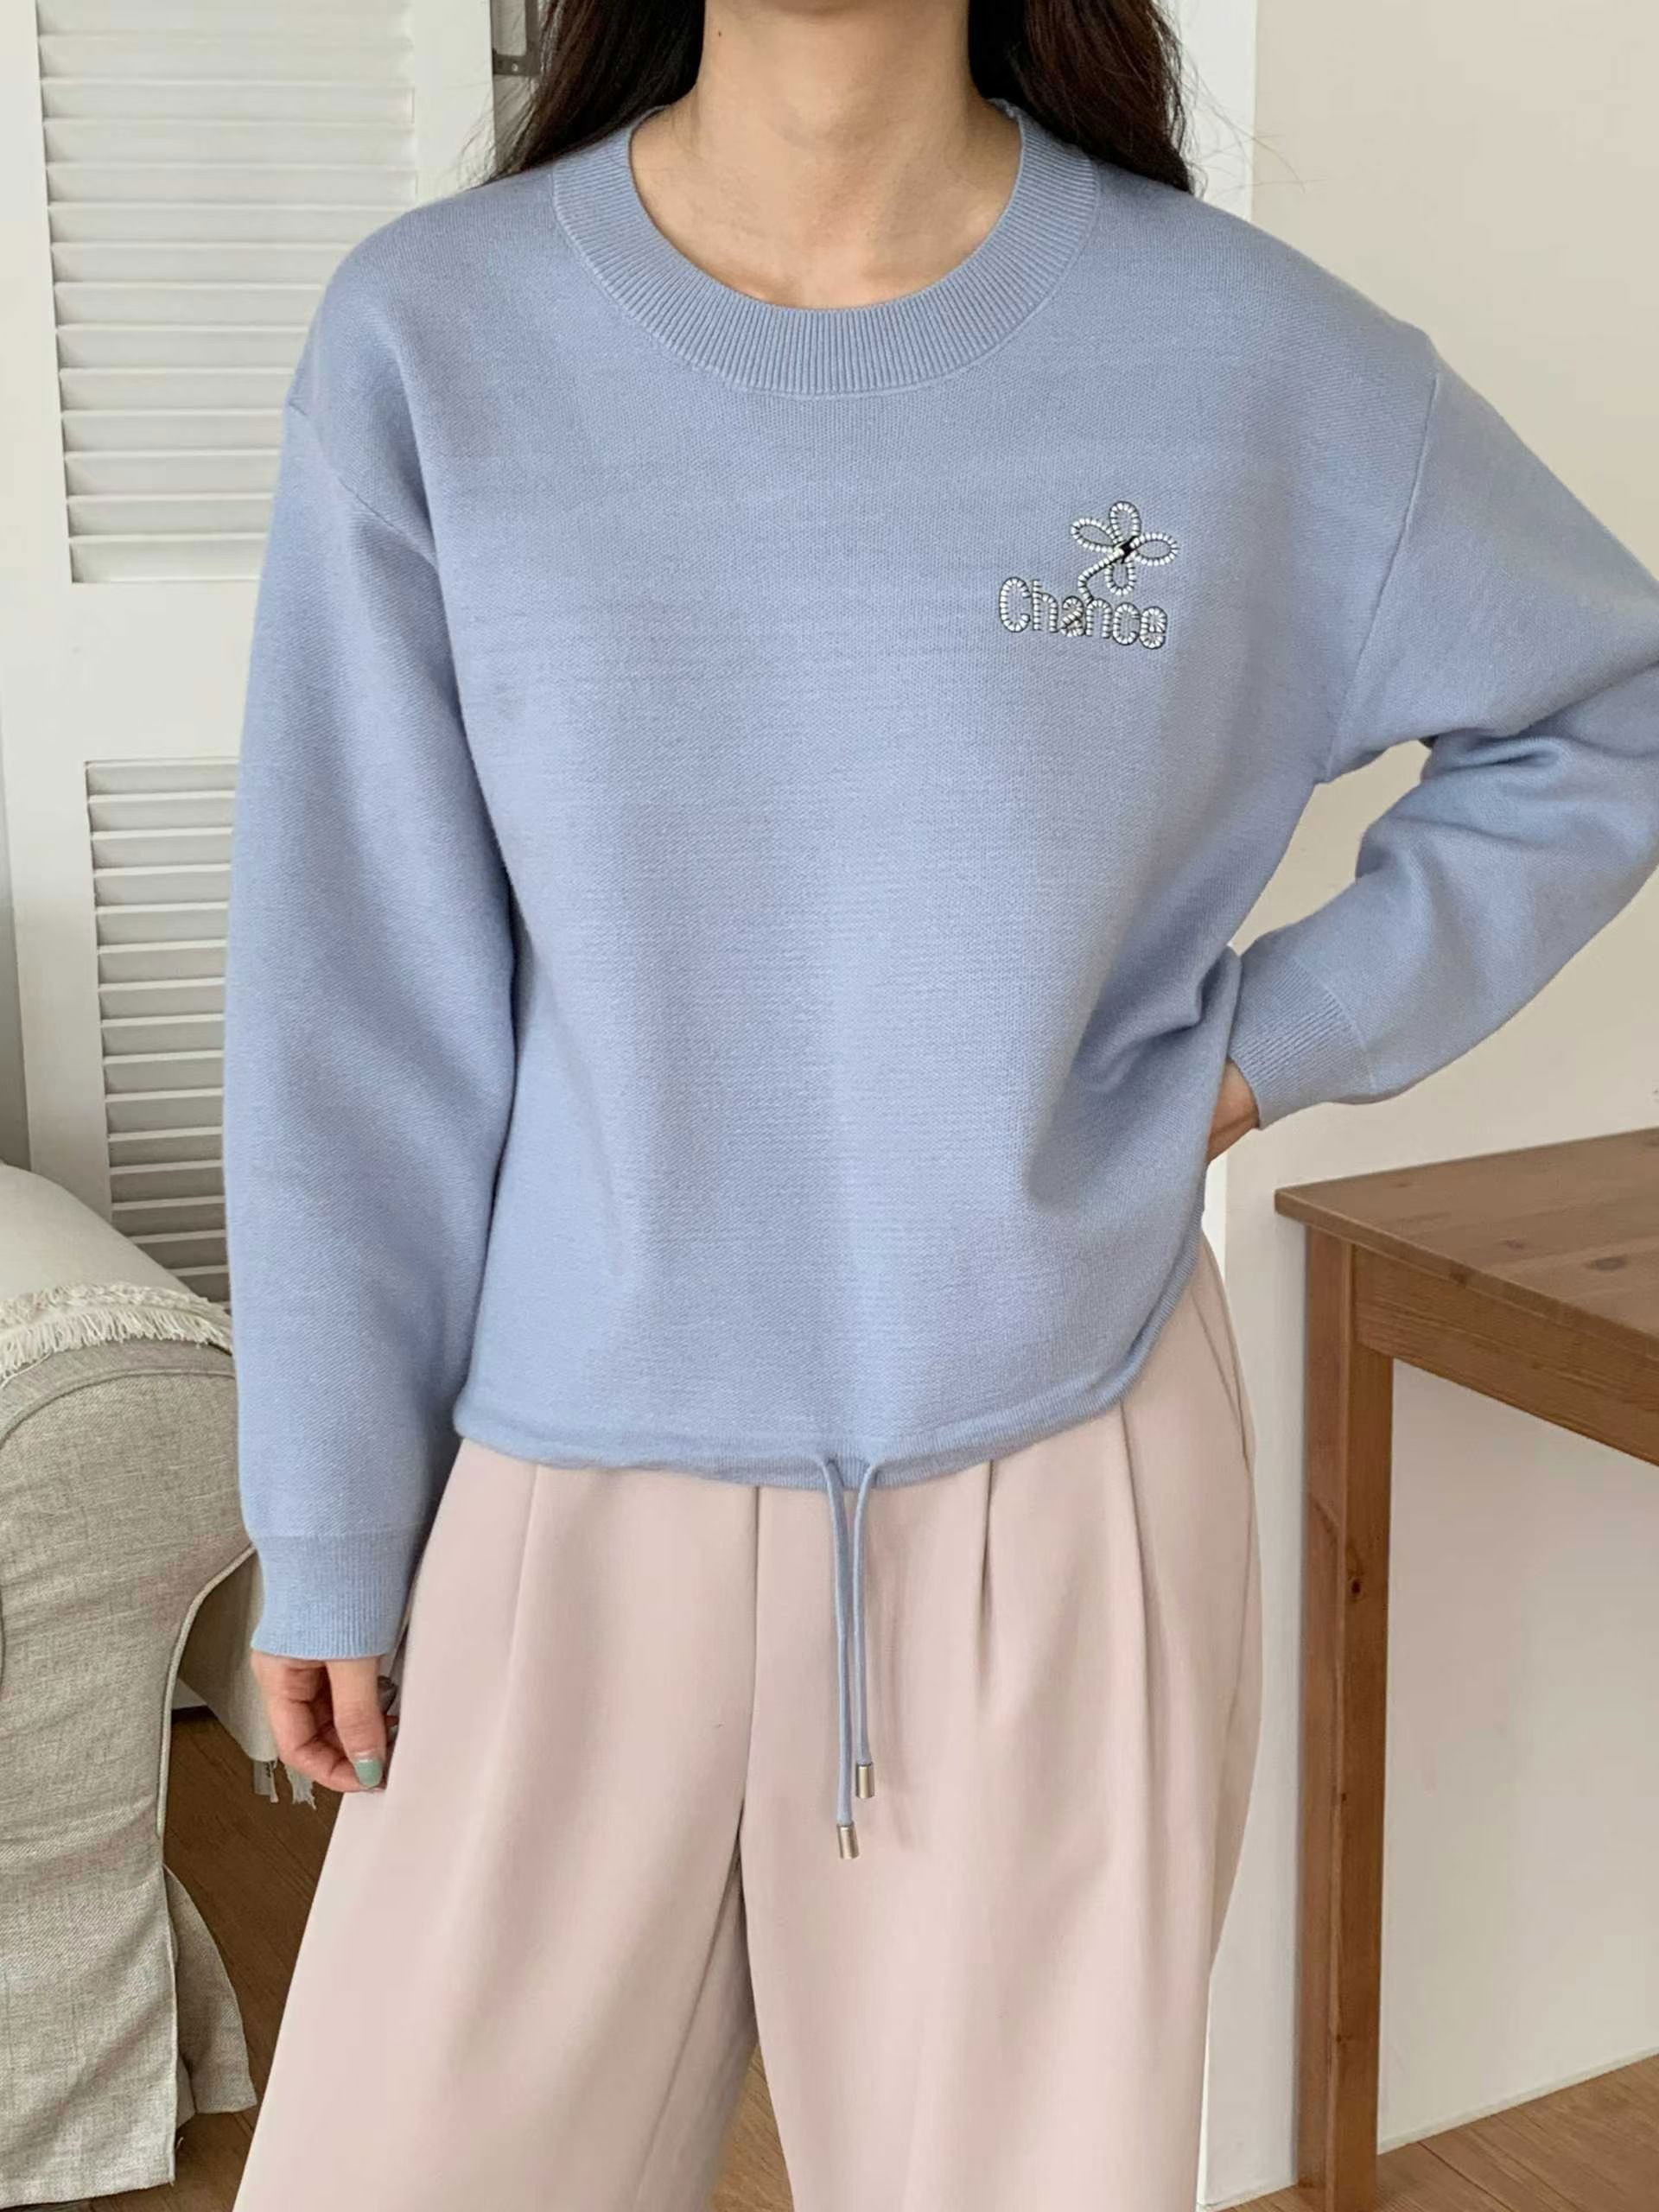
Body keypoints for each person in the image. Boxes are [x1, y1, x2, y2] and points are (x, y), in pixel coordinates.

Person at [220, 2, 1659, 2207]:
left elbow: (1607, 711)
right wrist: (331, 1508)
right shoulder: (435, 339)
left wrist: (1252, 1053)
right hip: (562, 1488)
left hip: (1056, 1472)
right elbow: (358, 990)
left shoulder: (1254, 360)